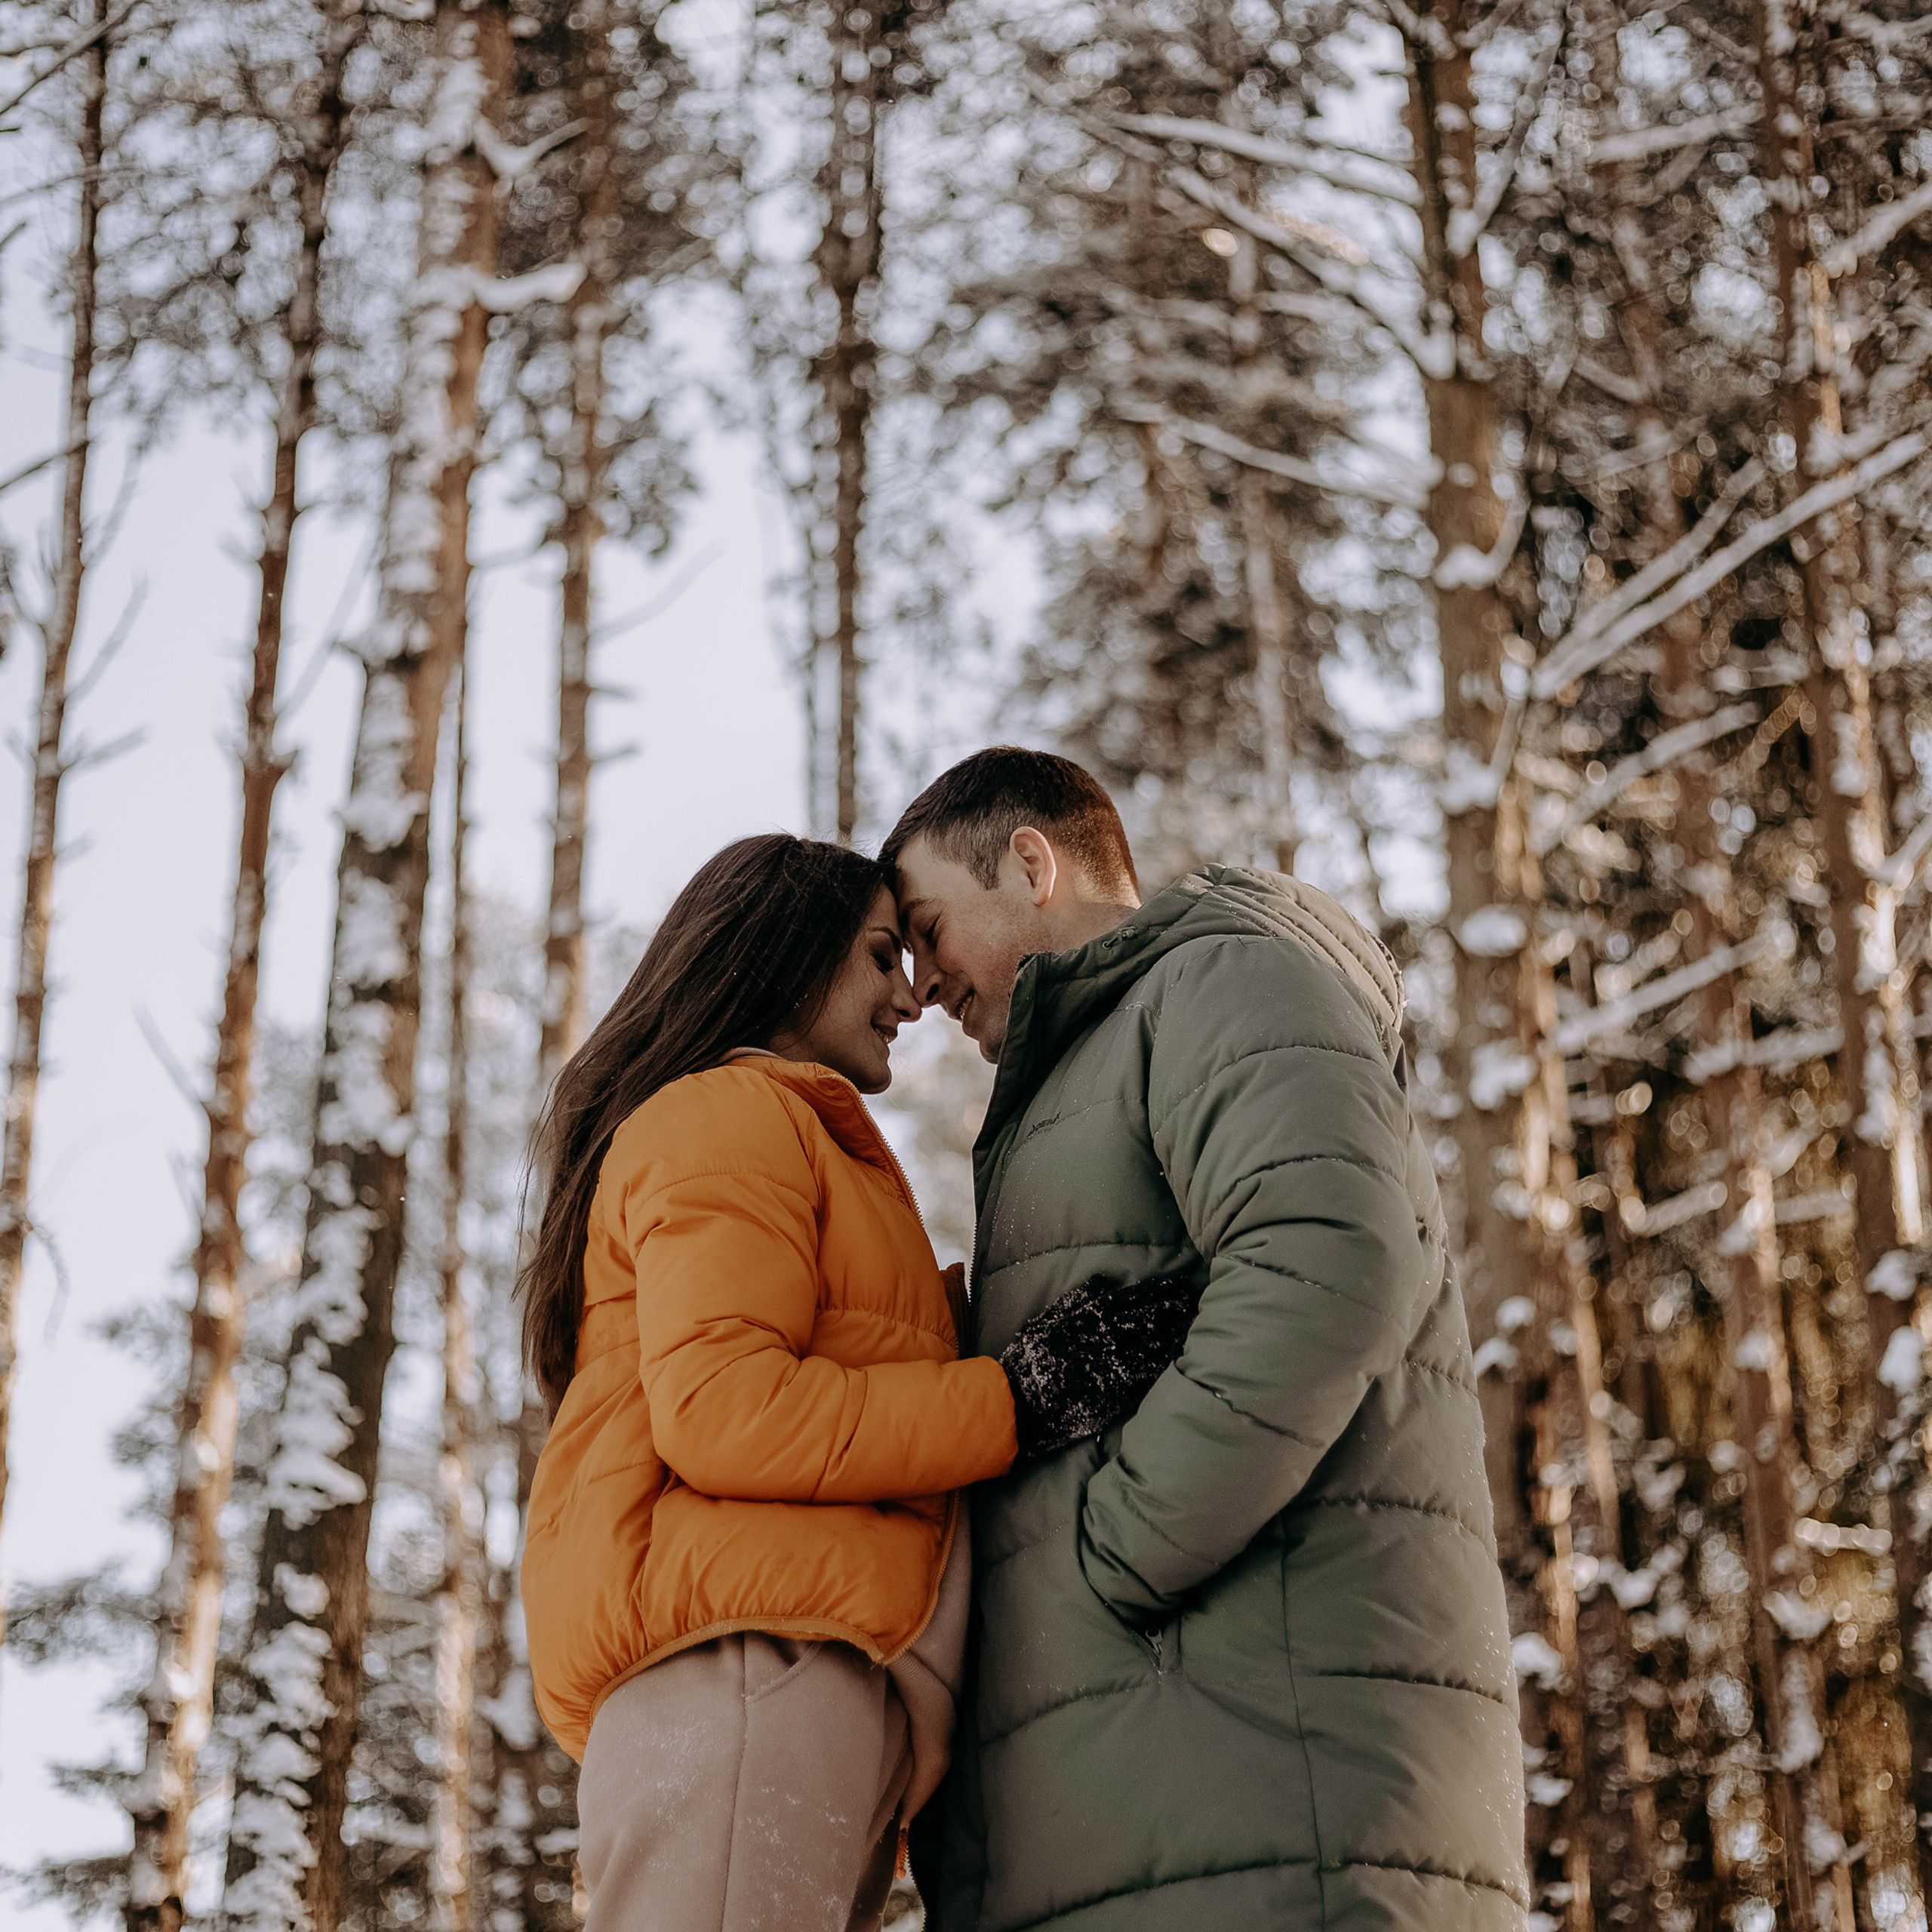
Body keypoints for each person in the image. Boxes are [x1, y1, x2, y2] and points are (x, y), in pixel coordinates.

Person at [883, 749, 1530, 1932]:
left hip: (1270, 1805)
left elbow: (1327, 1254)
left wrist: (1117, 1554)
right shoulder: (1087, 1067)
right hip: (1167, 1804)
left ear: (1031, 864)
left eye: (928, 930)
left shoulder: (1219, 981)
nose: (922, 984)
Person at [516, 832, 1194, 1932]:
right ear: (788, 952)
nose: (910, 993)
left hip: (789, 1673)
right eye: (884, 954)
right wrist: (1019, 1395)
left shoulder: (793, 1135)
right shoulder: (726, 1115)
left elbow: (833, 1369)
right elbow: (730, 1415)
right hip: (746, 1669)